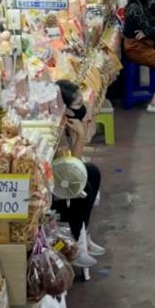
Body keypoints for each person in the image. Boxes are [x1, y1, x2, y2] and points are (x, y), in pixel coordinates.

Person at [50, 80, 105, 267]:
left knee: (93, 172)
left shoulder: (67, 123)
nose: (83, 108)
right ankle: (72, 246)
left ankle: (83, 234)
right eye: (78, 105)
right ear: (64, 109)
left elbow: (75, 165)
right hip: (52, 184)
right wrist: (80, 137)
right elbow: (71, 173)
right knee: (83, 190)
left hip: (62, 173)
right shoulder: (55, 130)